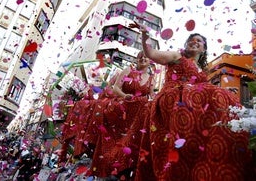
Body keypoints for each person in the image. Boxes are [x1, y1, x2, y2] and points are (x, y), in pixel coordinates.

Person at [102, 22, 254, 181]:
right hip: (172, 95)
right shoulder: (177, 56)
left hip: (191, 99)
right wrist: (145, 36)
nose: (195, 42)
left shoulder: (203, 71)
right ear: (186, 45)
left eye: (199, 41)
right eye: (191, 40)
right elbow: (151, 53)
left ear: (203, 49)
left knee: (225, 96)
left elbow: (205, 89)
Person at [59, 51, 156, 167]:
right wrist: (125, 96)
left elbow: (152, 96)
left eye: (146, 57)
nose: (143, 59)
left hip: (137, 110)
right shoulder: (128, 70)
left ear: (150, 61)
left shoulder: (151, 79)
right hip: (122, 104)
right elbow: (116, 88)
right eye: (141, 57)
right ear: (137, 59)